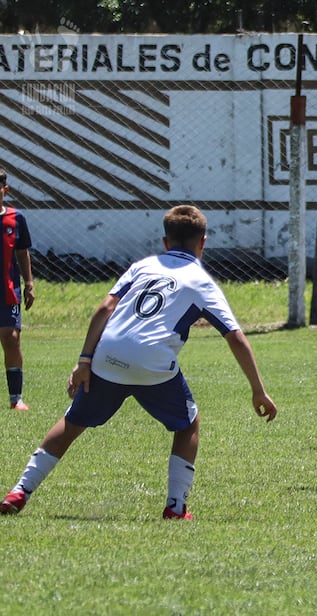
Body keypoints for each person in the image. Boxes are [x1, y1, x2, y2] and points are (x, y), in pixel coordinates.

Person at [0, 205, 278, 518]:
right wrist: (258, 390)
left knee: (72, 423)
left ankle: (19, 491)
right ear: (203, 242)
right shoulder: (201, 281)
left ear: (165, 242)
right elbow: (235, 337)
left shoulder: (143, 266)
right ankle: (175, 507)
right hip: (152, 362)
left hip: (108, 354)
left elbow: (105, 309)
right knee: (188, 425)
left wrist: (84, 361)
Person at [0, 169, 35, 411]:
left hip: (7, 290)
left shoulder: (16, 218)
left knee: (11, 339)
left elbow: (22, 253)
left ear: (5, 190)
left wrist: (29, 284)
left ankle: (16, 399)